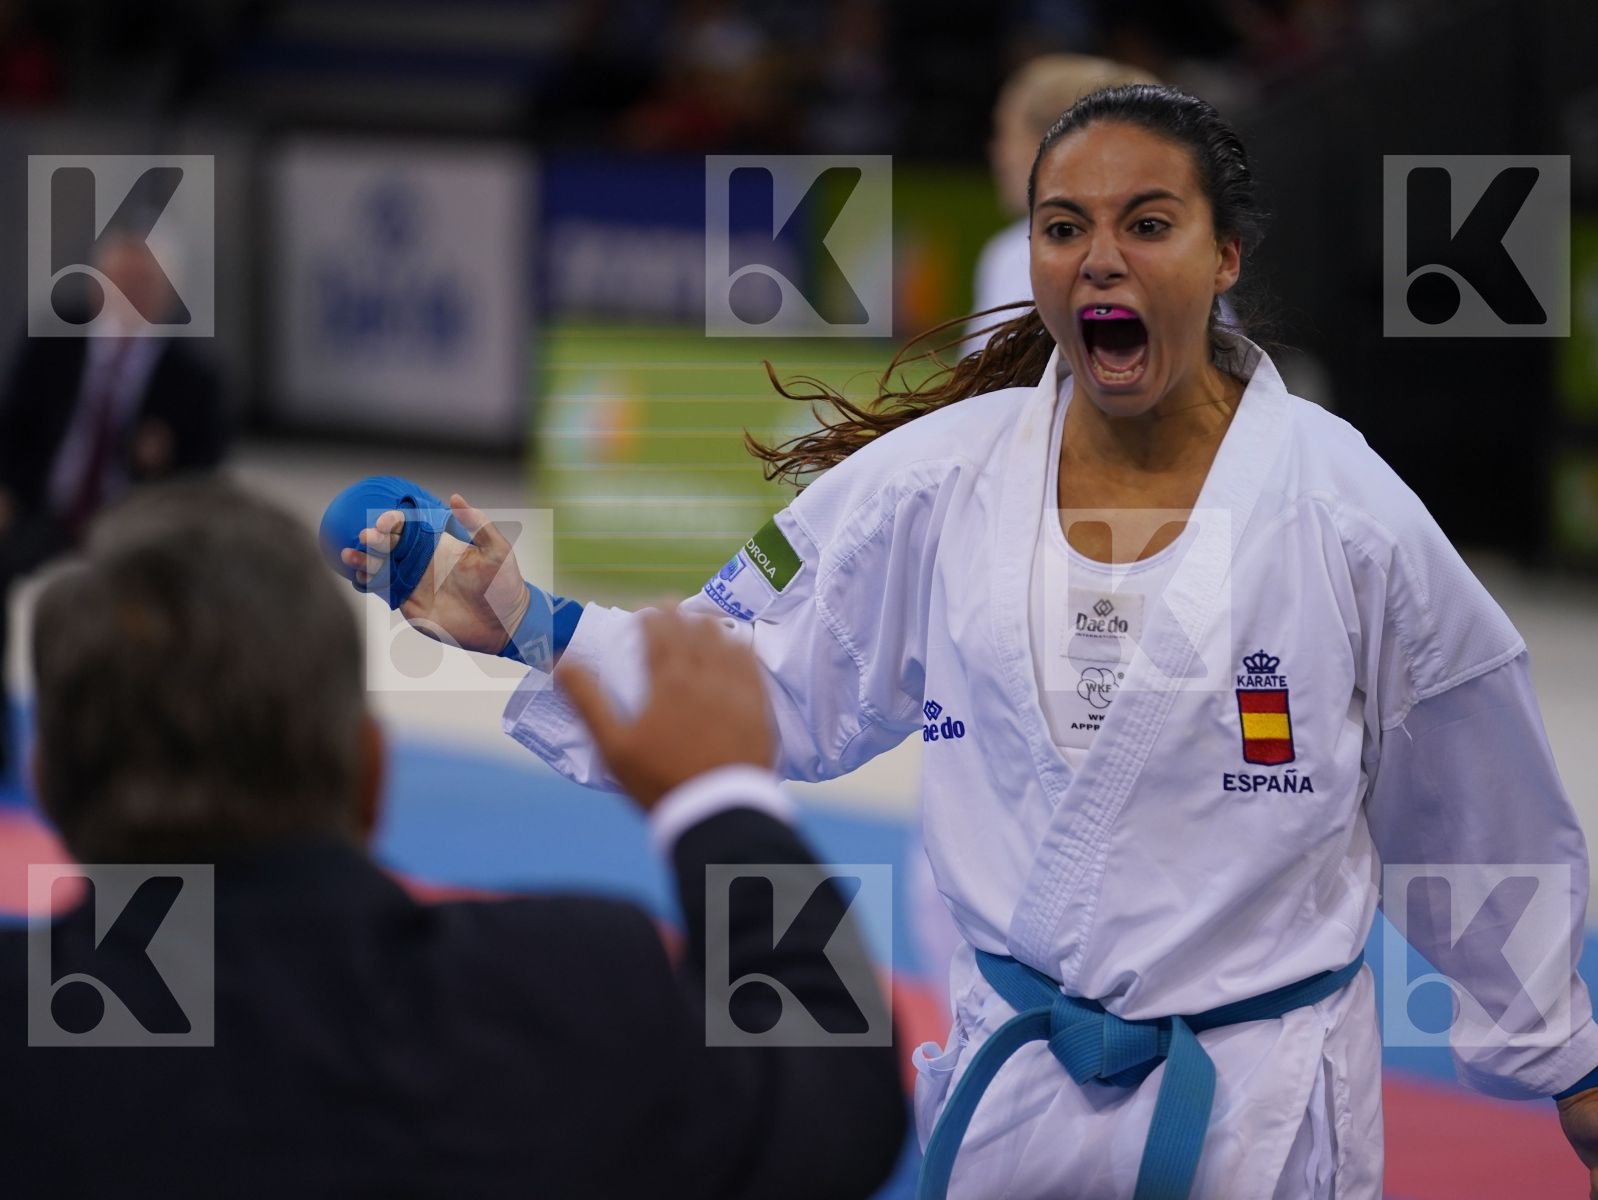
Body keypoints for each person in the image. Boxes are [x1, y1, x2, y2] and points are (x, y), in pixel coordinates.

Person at [327, 85, 1598, 1197]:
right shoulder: (929, 484)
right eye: (1063, 228)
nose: (1099, 261)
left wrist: (1570, 1059)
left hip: (1253, 1117)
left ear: (1223, 258)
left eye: (1147, 225)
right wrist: (525, 621)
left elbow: (1469, 801)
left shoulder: (1346, 512)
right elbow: (744, 674)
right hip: (1015, 1093)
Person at [0, 480, 905, 1199]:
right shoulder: (572, 999)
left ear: (45, 785)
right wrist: (719, 803)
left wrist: (540, 626)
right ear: (371, 774)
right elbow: (841, 1101)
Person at [0, 225, 228, 784]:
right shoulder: (52, 342)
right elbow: (11, 429)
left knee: (165, 605)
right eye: (120, 281)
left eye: (144, 284)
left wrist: (161, 466)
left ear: (166, 294)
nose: (131, 295)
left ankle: (148, 748)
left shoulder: (193, 375)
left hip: (139, 528)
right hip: (49, 512)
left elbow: (205, 480)